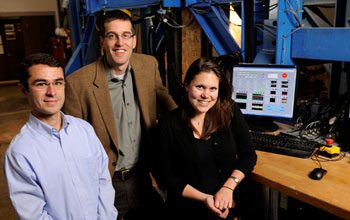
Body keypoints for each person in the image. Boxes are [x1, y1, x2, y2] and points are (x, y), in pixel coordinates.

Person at [62, 10, 177, 220]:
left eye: (125, 35)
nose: (119, 43)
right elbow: (70, 146)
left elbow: (168, 105)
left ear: (134, 40)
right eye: (112, 36)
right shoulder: (78, 83)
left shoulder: (148, 66)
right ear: (102, 41)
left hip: (143, 177)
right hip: (105, 183)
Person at [4, 53, 117, 220]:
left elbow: (103, 182)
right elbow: (34, 215)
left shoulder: (84, 130)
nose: (52, 92)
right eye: (41, 84)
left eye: (58, 83)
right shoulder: (20, 152)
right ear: (23, 90)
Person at [154, 57, 257, 220]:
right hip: (184, 211)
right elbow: (165, 177)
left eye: (212, 89)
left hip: (225, 208)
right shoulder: (168, 123)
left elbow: (248, 155)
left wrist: (228, 188)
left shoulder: (230, 111)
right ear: (187, 86)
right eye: (199, 87)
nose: (205, 95)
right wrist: (205, 198)